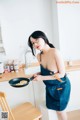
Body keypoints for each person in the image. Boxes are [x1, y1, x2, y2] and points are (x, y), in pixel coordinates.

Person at [28, 30, 71, 120]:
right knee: (53, 109)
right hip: (50, 87)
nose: (35, 44)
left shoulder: (55, 52)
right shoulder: (39, 56)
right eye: (33, 43)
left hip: (61, 86)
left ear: (43, 37)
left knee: (60, 111)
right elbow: (47, 72)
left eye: (36, 40)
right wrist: (38, 73)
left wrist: (42, 77)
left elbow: (61, 74)